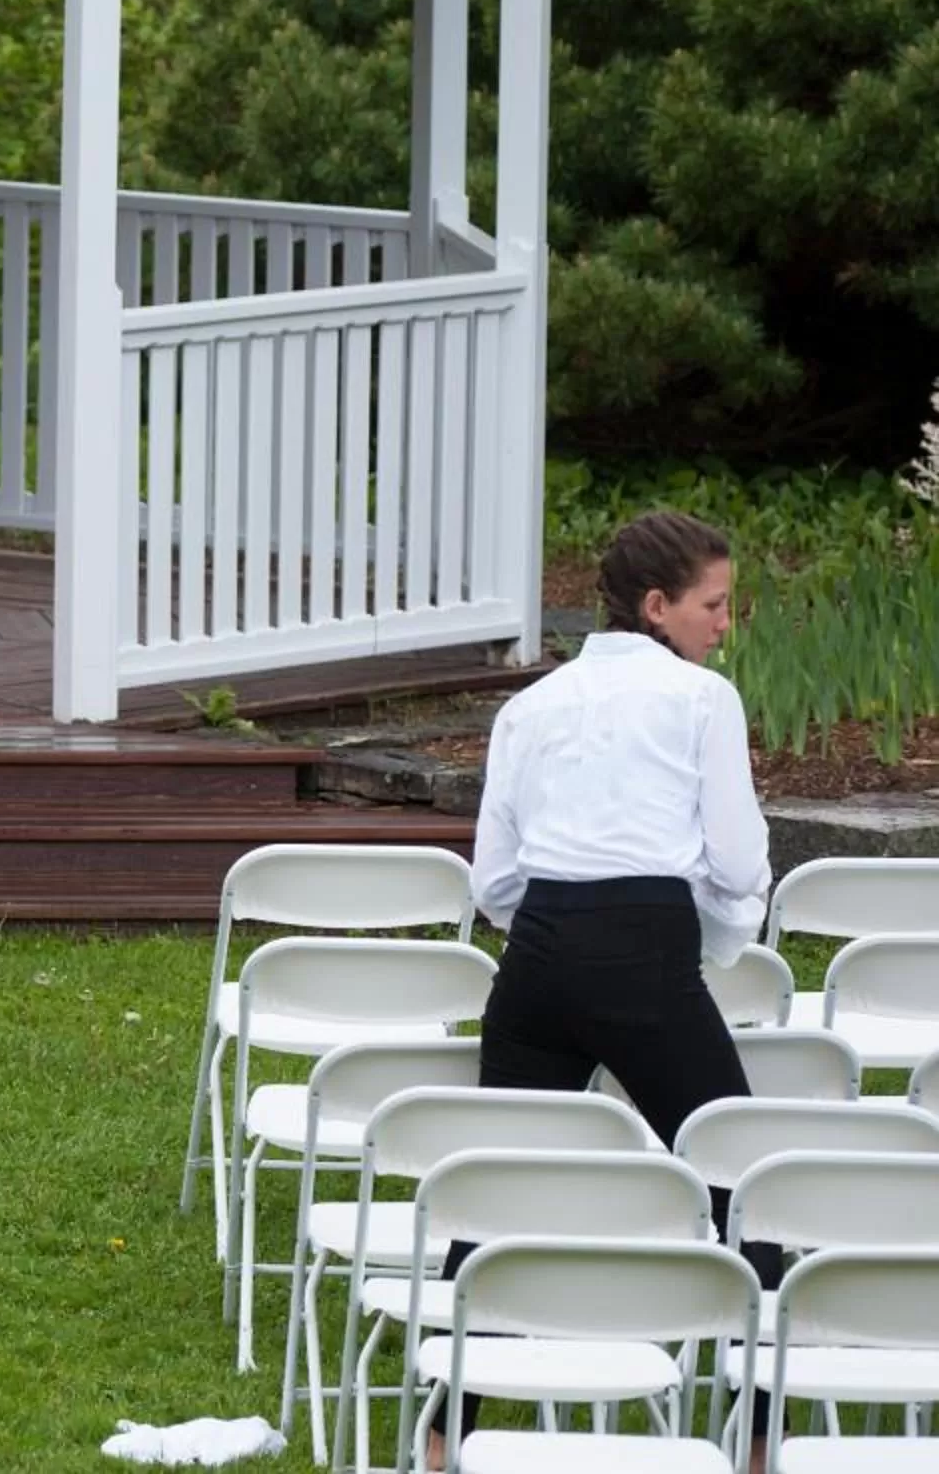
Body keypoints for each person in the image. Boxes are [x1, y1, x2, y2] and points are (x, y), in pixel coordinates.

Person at [443, 509, 776, 1458]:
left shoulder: (530, 705)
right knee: (742, 1182)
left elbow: (494, 880)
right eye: (715, 605)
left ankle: (442, 1432)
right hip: (644, 953)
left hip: (538, 959)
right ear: (657, 606)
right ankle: (761, 1437)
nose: (726, 625)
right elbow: (739, 860)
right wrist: (712, 937)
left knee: (498, 1193)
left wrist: (564, 922)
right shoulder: (703, 699)